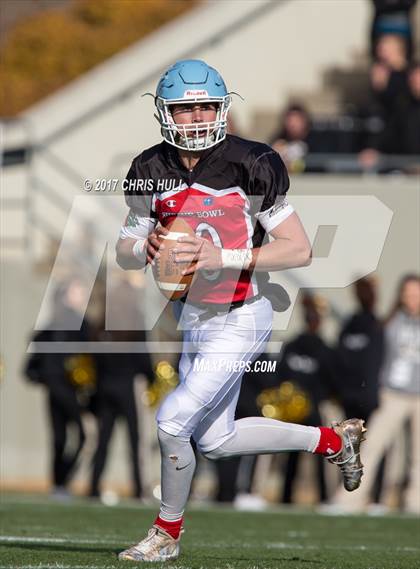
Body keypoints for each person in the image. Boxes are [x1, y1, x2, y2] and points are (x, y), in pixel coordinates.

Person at [115, 59, 367, 562]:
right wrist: (143, 249)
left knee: (171, 420)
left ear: (223, 109)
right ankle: (332, 442)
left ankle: (167, 534)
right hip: (194, 318)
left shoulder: (252, 161)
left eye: (206, 106)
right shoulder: (149, 168)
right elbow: (125, 245)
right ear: (166, 113)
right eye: (186, 109)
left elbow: (298, 249)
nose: (197, 117)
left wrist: (224, 256)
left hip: (244, 312)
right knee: (215, 440)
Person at [331, 274, 420, 513]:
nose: (413, 299)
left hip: (419, 397)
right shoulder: (388, 324)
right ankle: (349, 500)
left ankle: (415, 503)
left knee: (418, 456)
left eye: (416, 294)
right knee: (371, 448)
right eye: (408, 294)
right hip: (393, 394)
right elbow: (376, 361)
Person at [24, 277, 92, 498]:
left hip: (69, 388)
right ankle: (59, 483)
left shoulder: (81, 324)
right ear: (65, 295)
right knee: (68, 436)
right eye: (76, 291)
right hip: (59, 387)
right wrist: (45, 375)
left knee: (67, 437)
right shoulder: (58, 325)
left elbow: (89, 356)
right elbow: (33, 364)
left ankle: (60, 483)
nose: (81, 295)